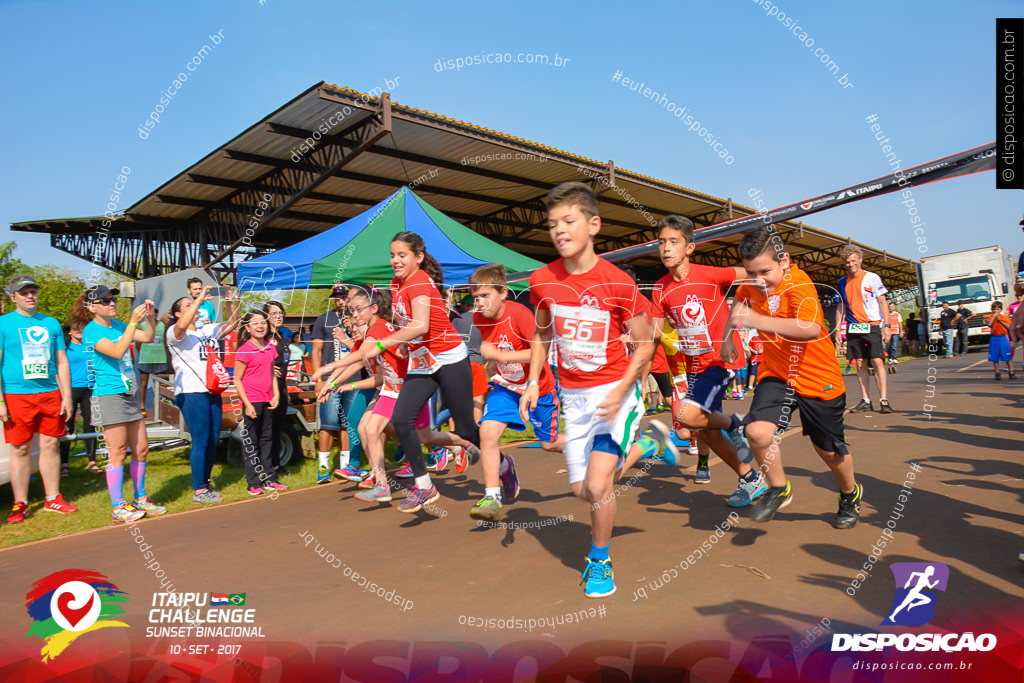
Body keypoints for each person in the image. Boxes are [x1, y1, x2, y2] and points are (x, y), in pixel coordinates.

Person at [520, 182, 655, 599]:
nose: (559, 230)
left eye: (569, 221)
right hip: (574, 399)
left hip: (616, 390)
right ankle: (645, 447)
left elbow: (646, 342)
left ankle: (599, 560)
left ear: (593, 224)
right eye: (552, 224)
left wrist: (623, 391)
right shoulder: (541, 280)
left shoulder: (617, 282)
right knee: (583, 492)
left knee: (599, 487)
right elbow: (542, 333)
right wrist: (530, 381)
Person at [723, 226, 862, 529]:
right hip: (778, 375)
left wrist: (757, 320)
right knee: (757, 432)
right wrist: (726, 341)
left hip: (818, 378)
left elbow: (811, 328)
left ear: (784, 261)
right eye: (750, 272)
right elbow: (737, 307)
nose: (758, 280)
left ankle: (849, 493)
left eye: (765, 271)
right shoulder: (752, 285)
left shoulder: (798, 284)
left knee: (828, 450)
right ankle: (778, 487)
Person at [350, 231, 482, 513]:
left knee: (467, 427)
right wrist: (404, 344)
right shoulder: (395, 283)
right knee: (402, 420)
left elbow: (421, 325)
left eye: (402, 255)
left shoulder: (420, 282)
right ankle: (424, 486)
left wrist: (385, 343)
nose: (395, 260)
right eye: (392, 255)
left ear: (418, 258)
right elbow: (410, 326)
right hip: (422, 361)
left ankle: (501, 462)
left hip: (448, 358)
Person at [648, 215, 760, 500]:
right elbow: (654, 333)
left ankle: (735, 426)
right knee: (705, 431)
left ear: (689, 248)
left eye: (674, 242)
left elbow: (756, 272)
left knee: (687, 417)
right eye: (661, 243)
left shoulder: (710, 274)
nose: (666, 249)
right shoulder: (660, 288)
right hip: (695, 365)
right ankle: (750, 478)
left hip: (722, 358)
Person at [467, 264, 561, 521]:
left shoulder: (519, 314)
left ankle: (589, 449)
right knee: (486, 431)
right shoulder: (478, 319)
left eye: (485, 295)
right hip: (506, 387)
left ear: (503, 293)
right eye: (475, 297)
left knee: (550, 444)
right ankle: (491, 497)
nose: (479, 302)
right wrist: (487, 375)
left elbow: (539, 351)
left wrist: (500, 355)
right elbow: (493, 353)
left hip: (537, 388)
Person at [80, 286, 167, 523]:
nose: (112, 303)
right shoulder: (91, 331)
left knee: (141, 449)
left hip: (128, 393)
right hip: (109, 395)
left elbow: (148, 337)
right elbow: (118, 351)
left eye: (113, 299)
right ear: (92, 307)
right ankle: (118, 506)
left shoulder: (119, 325)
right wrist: (132, 322)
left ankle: (140, 498)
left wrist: (149, 318)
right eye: (106, 300)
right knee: (117, 451)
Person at [1, 275, 77, 523]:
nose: (30, 296)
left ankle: (53, 497)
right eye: (24, 293)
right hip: (15, 394)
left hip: (49, 393)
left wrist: (66, 396)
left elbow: (62, 362)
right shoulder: (4, 324)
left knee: (50, 445)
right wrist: (0, 401)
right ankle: (20, 503)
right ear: (13, 297)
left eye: (33, 291)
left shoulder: (51, 324)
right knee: (21, 448)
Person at [166, 285, 237, 504]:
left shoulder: (205, 331)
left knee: (212, 439)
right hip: (190, 391)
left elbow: (234, 323)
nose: (193, 305)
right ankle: (198, 489)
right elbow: (180, 327)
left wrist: (229, 300)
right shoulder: (175, 333)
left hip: (211, 389)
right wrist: (197, 300)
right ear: (178, 313)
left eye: (193, 303)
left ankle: (205, 483)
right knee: (201, 439)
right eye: (186, 305)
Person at [234, 310, 287, 495]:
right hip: (252, 400)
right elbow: (237, 379)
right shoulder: (244, 349)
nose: (260, 326)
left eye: (263, 322)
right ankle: (253, 482)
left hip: (268, 399)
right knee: (252, 441)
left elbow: (272, 373)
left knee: (267, 439)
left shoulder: (269, 347)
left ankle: (270, 479)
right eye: (255, 323)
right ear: (247, 328)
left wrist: (276, 395)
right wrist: (247, 404)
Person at [836, 245, 892, 413]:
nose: (851, 264)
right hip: (854, 327)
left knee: (877, 361)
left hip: (872, 325)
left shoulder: (872, 278)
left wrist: (886, 326)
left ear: (860, 259)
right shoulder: (842, 282)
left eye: (853, 260)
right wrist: (838, 330)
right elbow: (840, 306)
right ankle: (866, 399)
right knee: (860, 363)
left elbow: (883, 302)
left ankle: (884, 399)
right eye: (847, 262)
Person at [310, 284, 356, 484]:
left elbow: (364, 347)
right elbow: (316, 351)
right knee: (328, 424)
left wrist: (352, 327)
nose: (340, 301)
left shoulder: (357, 318)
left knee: (348, 424)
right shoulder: (324, 319)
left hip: (353, 378)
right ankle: (323, 468)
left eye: (344, 297)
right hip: (330, 380)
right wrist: (318, 380)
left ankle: (346, 466)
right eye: (336, 297)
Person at [60, 322, 99, 476]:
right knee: (66, 426)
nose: (80, 331)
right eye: (76, 327)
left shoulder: (91, 345)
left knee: (91, 425)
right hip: (70, 389)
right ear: (70, 331)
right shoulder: (65, 347)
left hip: (89, 389)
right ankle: (64, 464)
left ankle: (92, 461)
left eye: (83, 327)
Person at [263, 301, 291, 477]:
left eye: (280, 313)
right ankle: (270, 466)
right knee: (269, 427)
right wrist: (268, 367)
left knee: (278, 426)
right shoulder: (264, 335)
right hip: (269, 386)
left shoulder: (281, 335)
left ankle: (276, 463)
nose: (278, 316)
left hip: (282, 384)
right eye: (274, 313)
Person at [136, 309, 168, 418]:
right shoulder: (142, 326)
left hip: (160, 359)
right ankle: (141, 408)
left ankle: (161, 408)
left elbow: (165, 341)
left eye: (155, 311)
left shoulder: (162, 325)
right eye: (150, 311)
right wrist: (143, 354)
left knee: (161, 386)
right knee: (143, 384)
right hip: (146, 359)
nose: (153, 314)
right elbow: (138, 343)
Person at [986, 302, 1015, 380]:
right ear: (992, 310)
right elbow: (989, 324)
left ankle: (1011, 371)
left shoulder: (1005, 317)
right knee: (994, 356)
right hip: (994, 338)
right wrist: (994, 317)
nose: (996, 311)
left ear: (1001, 310)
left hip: (1003, 337)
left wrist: (1001, 320)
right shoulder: (990, 317)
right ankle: (997, 372)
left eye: (998, 309)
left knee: (1007, 355)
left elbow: (1009, 327)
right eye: (994, 309)